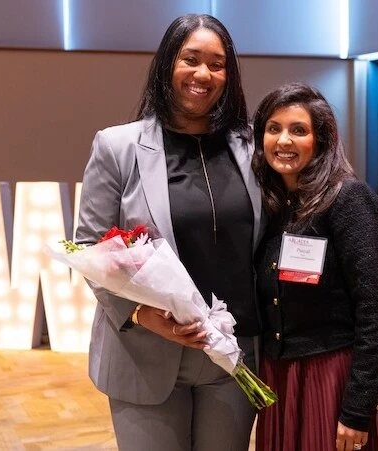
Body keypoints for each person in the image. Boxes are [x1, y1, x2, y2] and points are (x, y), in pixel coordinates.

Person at [75, 14, 264, 451]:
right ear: (167, 65)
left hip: (232, 358)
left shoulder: (251, 147)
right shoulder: (117, 146)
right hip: (144, 353)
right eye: (191, 59)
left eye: (217, 64)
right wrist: (142, 315)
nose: (203, 74)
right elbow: (89, 247)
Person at [251, 82, 378, 451]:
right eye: (274, 128)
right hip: (278, 376)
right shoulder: (271, 205)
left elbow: (374, 310)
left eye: (299, 130)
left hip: (329, 377)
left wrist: (358, 407)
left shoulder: (347, 199)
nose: (284, 141)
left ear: (321, 140)